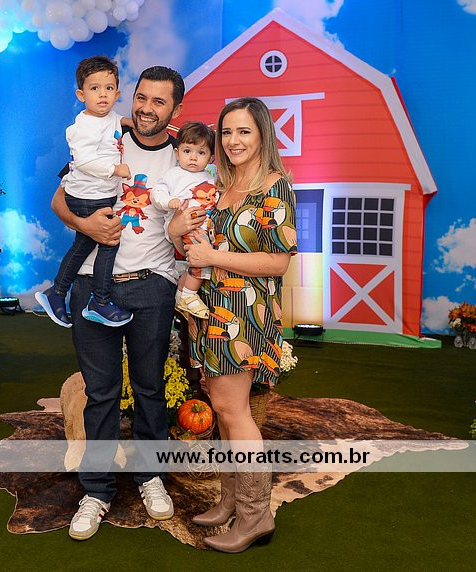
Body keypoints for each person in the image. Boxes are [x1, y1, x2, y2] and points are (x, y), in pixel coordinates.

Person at [50, 65, 199, 541]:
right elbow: (59, 200)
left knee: (150, 388)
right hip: (94, 285)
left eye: (159, 101)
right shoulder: (106, 135)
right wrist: (85, 226)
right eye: (142, 97)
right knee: (102, 392)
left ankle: (150, 476)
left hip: (152, 286)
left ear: (176, 108)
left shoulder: (184, 157)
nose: (147, 108)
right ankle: (96, 490)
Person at [179, 97, 298, 553]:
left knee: (234, 412)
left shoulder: (274, 186)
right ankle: (230, 500)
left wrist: (212, 255)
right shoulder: (222, 185)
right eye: (226, 132)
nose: (233, 141)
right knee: (224, 408)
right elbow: (195, 243)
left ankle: (255, 515)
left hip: (245, 314)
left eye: (244, 131)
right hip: (212, 311)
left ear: (263, 134)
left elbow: (278, 262)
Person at [36, 56, 134, 329]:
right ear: (81, 95)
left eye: (109, 88)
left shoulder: (109, 117)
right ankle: (100, 301)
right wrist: (115, 169)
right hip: (88, 196)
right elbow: (84, 162)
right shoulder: (83, 127)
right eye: (94, 88)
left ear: (117, 93)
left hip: (99, 194)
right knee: (109, 241)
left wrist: (128, 121)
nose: (102, 94)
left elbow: (115, 120)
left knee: (83, 245)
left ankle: (56, 293)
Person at [150, 121, 217, 320]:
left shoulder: (210, 178)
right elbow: (157, 192)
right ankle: (188, 295)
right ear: (177, 153)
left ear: (211, 158)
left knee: (199, 260)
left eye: (201, 153)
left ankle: (181, 293)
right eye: (187, 151)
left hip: (204, 226)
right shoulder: (174, 175)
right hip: (186, 226)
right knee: (201, 260)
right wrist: (169, 201)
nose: (193, 157)